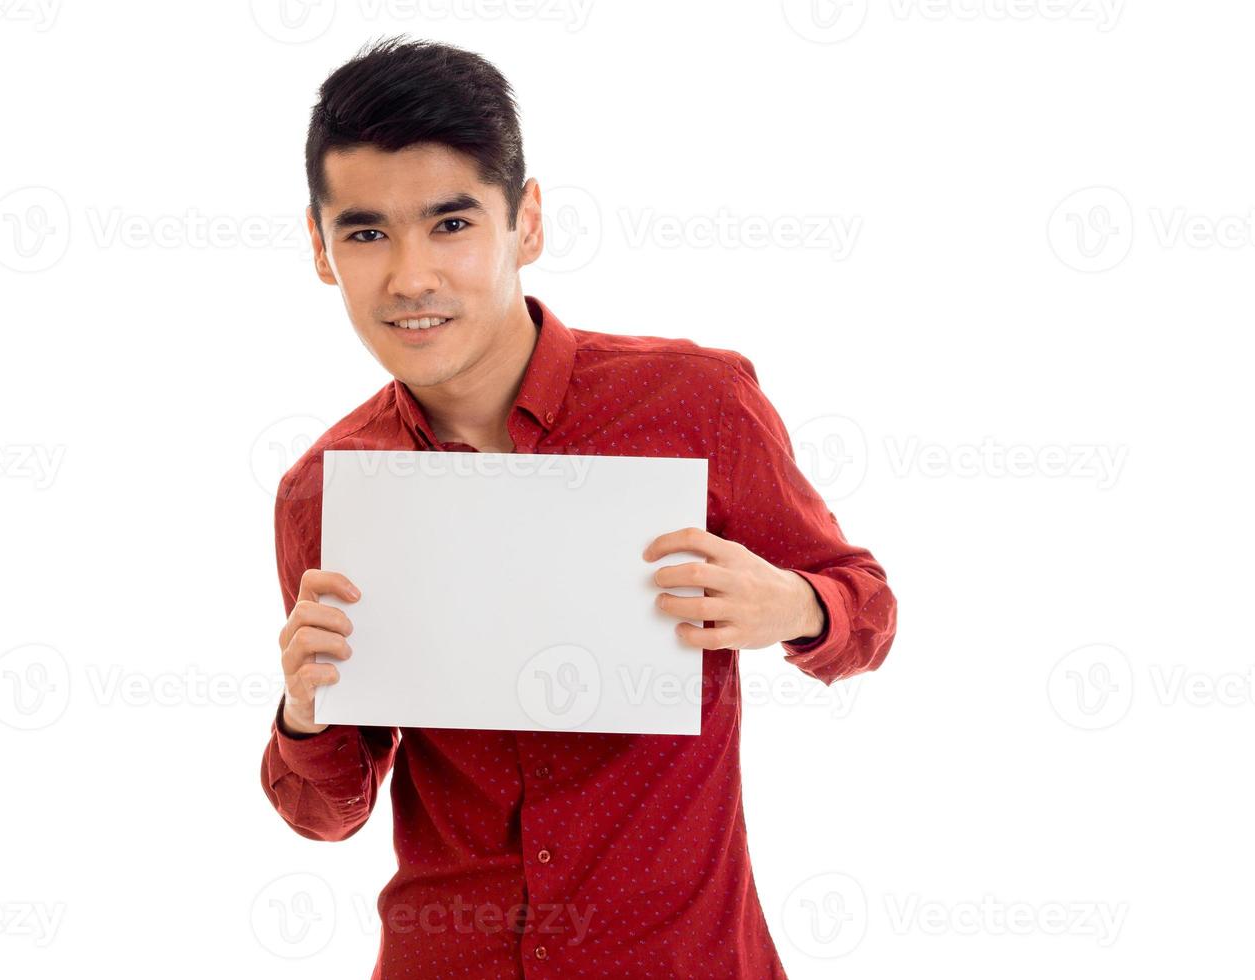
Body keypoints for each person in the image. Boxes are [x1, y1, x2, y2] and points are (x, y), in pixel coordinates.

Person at [260, 34, 898, 979]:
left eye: (451, 223)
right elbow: (327, 810)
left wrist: (795, 606)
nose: (409, 277)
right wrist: (306, 712)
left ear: (528, 223)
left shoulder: (696, 403)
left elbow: (868, 610)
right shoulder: (328, 487)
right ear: (320, 247)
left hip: (679, 958)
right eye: (365, 233)